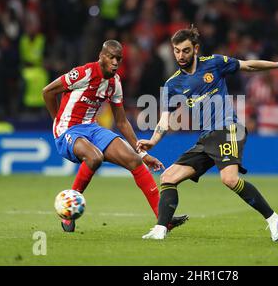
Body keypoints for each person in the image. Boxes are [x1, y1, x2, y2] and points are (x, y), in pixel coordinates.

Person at [137, 27, 278, 241]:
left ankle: (273, 219)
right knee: (168, 177)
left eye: (185, 51)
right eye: (176, 51)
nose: (180, 56)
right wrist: (153, 141)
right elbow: (164, 120)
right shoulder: (172, 84)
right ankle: (160, 229)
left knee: (229, 179)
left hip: (228, 128)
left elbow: (248, 65)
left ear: (195, 49)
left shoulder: (214, 63)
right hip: (206, 139)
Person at [42, 40, 188, 232]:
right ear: (101, 57)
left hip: (92, 129)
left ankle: (164, 220)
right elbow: (48, 92)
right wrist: (57, 121)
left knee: (134, 161)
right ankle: (69, 210)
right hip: (68, 130)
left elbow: (121, 121)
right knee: (95, 157)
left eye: (118, 58)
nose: (115, 62)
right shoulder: (83, 73)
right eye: (111, 57)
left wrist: (143, 154)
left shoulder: (114, 82)